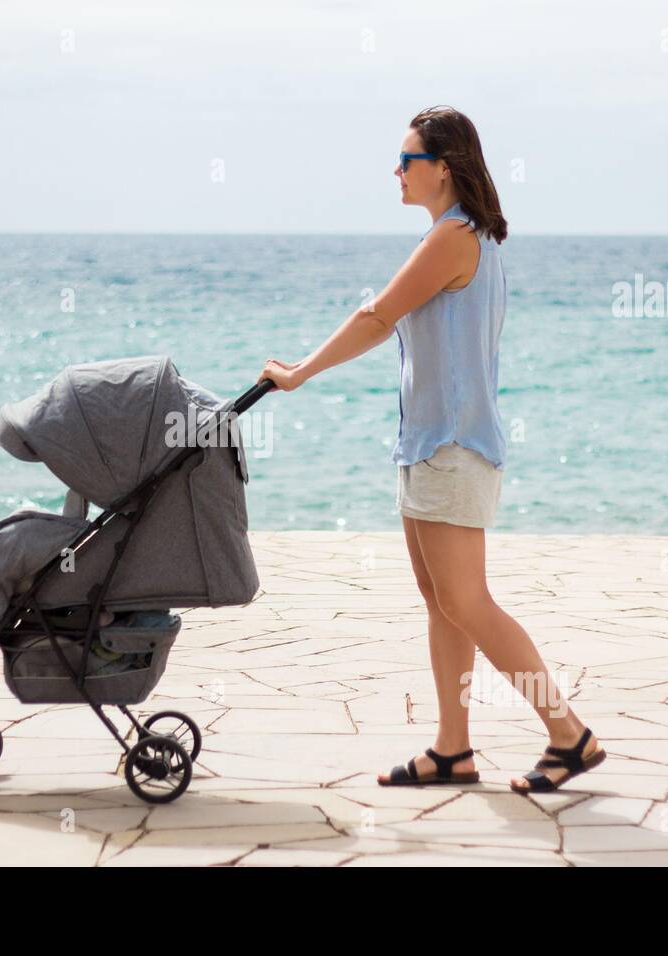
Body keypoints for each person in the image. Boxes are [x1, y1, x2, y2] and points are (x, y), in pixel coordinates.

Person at [256, 105, 605, 793]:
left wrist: (299, 372)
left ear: (443, 167)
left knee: (468, 601)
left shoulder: (455, 238)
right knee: (441, 601)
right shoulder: (461, 236)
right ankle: (453, 750)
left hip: (453, 447)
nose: (396, 171)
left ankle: (569, 734)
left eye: (407, 160)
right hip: (427, 445)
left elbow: (376, 316)